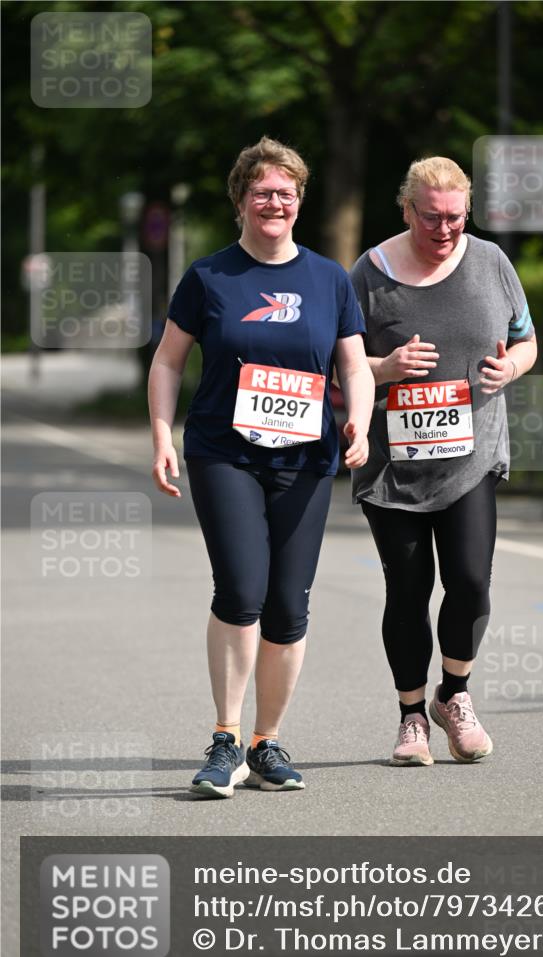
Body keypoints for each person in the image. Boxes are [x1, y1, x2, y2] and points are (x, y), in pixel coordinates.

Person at [148, 137, 374, 797]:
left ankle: (265, 743)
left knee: (287, 605)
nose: (275, 203)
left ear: (299, 201)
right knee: (240, 590)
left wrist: (359, 420)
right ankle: (225, 740)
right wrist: (161, 434)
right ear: (241, 200)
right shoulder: (210, 277)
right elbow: (167, 361)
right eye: (262, 192)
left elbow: (354, 364)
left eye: (286, 193)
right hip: (225, 453)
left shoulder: (329, 279)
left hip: (305, 460)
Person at [350, 156, 537, 767]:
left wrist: (511, 367)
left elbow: (527, 339)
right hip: (393, 467)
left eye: (456, 216)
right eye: (431, 217)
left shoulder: (492, 263)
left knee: (472, 581)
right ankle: (411, 717)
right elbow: (337, 364)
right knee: (408, 589)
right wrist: (385, 368)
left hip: (471, 457)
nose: (445, 228)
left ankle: (453, 694)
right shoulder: (369, 275)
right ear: (407, 210)